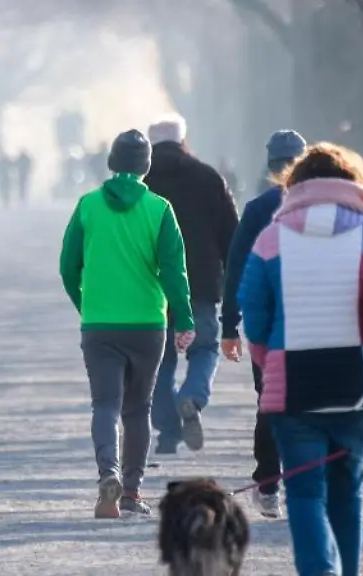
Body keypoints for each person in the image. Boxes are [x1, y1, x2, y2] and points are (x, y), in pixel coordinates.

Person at [239, 143, 363, 576]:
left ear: (294, 185)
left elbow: (254, 313)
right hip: (360, 386)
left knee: (303, 493)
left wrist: (270, 362)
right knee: (347, 488)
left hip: (294, 389)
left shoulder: (271, 237)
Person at [59, 129, 195, 519]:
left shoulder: (87, 206)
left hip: (100, 323)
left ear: (112, 162)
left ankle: (109, 473)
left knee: (104, 404)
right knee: (137, 410)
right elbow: (174, 271)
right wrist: (183, 319)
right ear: (146, 166)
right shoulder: (160, 209)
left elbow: (68, 267)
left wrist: (85, 304)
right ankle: (132, 493)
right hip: (147, 323)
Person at [220, 129, 307, 518]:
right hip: (316, 320)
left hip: (267, 324)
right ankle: (306, 483)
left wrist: (228, 325)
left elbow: (236, 267)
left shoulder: (258, 209)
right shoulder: (326, 207)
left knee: (270, 402)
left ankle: (269, 484)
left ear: (270, 166)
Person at [144, 113, 238, 455]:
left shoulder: (139, 183)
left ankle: (168, 433)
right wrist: (233, 280)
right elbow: (232, 234)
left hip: (151, 287)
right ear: (184, 140)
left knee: (158, 360)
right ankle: (192, 398)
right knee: (204, 348)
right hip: (199, 282)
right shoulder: (208, 178)